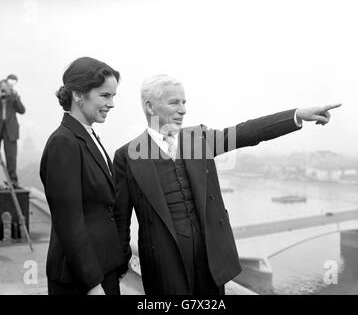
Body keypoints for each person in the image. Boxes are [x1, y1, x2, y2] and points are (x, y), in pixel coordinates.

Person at [113, 74, 341, 295]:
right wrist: (120, 266)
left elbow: (246, 132)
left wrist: (296, 115)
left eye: (184, 102)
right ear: (150, 107)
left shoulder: (198, 140)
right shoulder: (128, 156)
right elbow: (120, 220)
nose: (183, 109)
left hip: (210, 264)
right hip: (163, 268)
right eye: (174, 102)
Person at [40, 57, 130, 295]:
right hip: (80, 280)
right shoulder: (63, 142)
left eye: (113, 96)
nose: (111, 104)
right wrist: (92, 284)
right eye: (104, 95)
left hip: (102, 267)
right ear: (78, 95)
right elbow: (69, 223)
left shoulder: (86, 136)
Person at [0, 77, 25, 188]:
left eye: (6, 88)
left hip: (10, 130)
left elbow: (22, 110)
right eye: (2, 88)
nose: (4, 91)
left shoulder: (13, 97)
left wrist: (14, 95)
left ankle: (13, 181)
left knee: (11, 156)